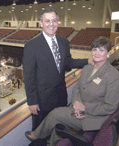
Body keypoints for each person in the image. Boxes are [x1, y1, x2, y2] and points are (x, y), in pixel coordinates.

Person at [25, 37, 119, 146]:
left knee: (55, 114)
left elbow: (110, 107)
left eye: (101, 50)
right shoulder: (87, 68)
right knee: (57, 125)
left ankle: (36, 135)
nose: (97, 53)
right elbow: (77, 88)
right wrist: (77, 104)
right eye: (95, 49)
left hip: (94, 117)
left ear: (108, 53)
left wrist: (84, 108)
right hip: (78, 109)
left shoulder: (114, 75)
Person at [23, 7, 93, 145]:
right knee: (39, 133)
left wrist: (87, 61)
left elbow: (68, 63)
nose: (51, 24)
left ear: (58, 22)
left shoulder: (64, 42)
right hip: (42, 99)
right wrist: (32, 101)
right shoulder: (31, 45)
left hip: (60, 95)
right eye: (47, 21)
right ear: (41, 23)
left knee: (58, 129)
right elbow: (29, 76)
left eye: (54, 20)